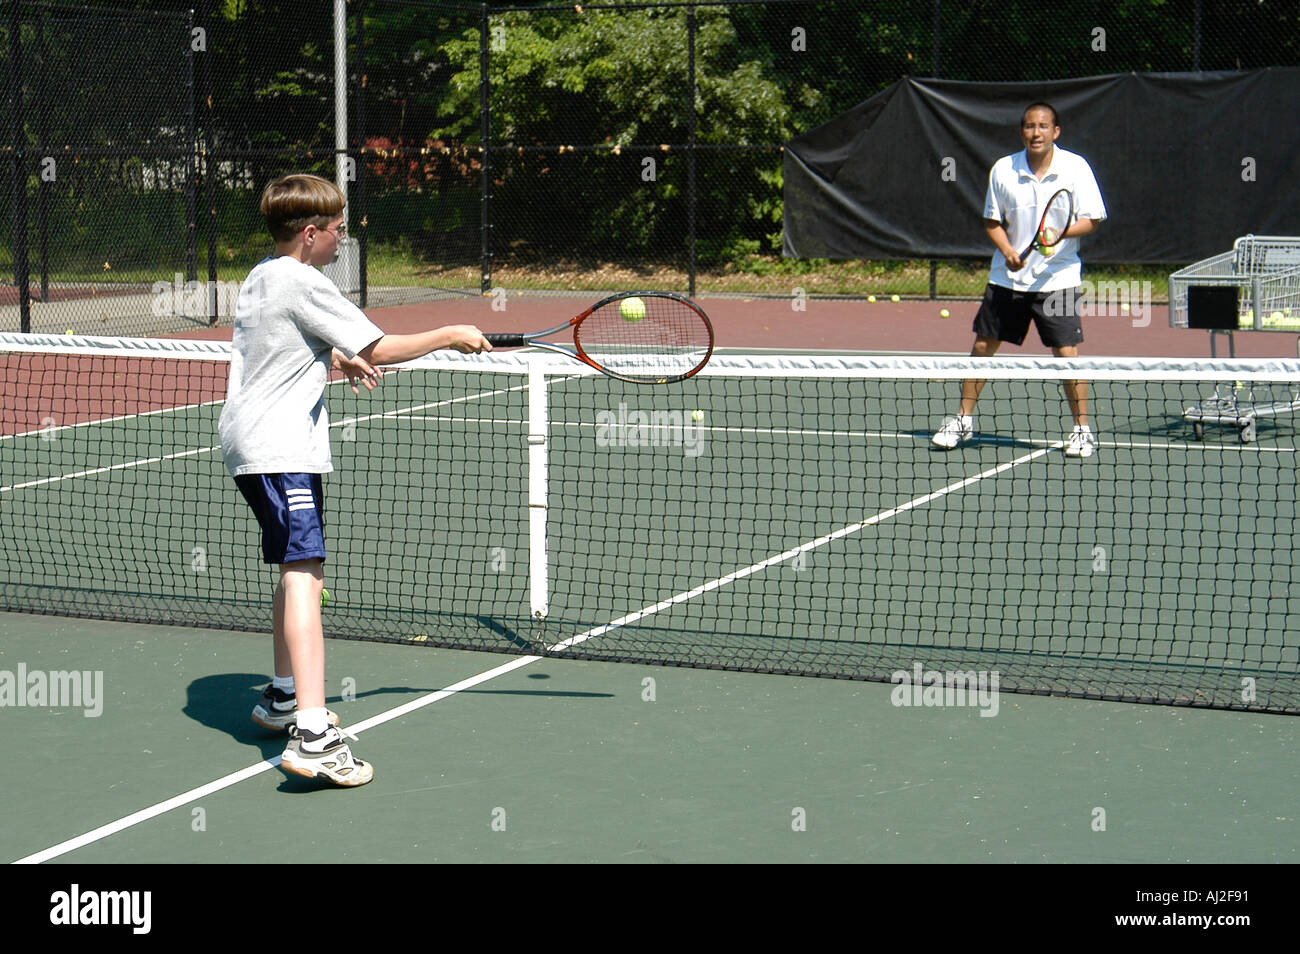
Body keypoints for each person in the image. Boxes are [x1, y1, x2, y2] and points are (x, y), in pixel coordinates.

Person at [220, 173, 490, 786]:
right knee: (305, 576)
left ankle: (285, 697)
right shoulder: (303, 280)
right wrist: (451, 333)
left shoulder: (263, 274)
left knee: (294, 571)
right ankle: (313, 736)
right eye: (337, 230)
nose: (343, 239)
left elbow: (278, 342)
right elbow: (386, 345)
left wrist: (334, 356)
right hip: (281, 447)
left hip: (252, 443)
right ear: (310, 234)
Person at [933, 102, 1106, 457]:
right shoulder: (1003, 170)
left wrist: (1058, 235)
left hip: (1058, 279)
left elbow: (1093, 219)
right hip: (1007, 280)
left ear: (1055, 132)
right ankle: (963, 421)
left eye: (1043, 126)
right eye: (1029, 126)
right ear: (1022, 131)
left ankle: (1082, 430)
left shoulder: (1076, 168)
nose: (1036, 133)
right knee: (982, 347)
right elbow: (992, 222)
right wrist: (1009, 251)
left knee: (1066, 352)